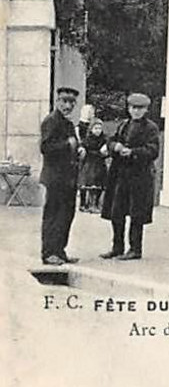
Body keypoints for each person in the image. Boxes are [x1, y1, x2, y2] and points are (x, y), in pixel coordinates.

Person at [101, 93, 160, 260]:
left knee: (137, 213)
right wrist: (115, 146)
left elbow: (153, 151)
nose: (136, 111)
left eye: (140, 108)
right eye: (133, 108)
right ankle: (117, 247)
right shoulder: (123, 125)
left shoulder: (151, 128)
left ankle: (135, 249)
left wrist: (133, 152)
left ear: (146, 110)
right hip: (120, 174)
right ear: (128, 109)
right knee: (116, 211)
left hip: (140, 175)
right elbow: (110, 141)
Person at [39, 86, 81, 266]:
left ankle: (60, 250)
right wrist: (67, 144)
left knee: (66, 215)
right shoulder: (51, 121)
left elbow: (72, 145)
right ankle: (49, 253)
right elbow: (45, 148)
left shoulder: (68, 123)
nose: (68, 105)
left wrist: (79, 150)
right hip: (55, 177)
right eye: (64, 101)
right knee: (53, 214)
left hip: (68, 178)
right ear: (57, 101)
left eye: (71, 102)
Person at [78, 117, 108, 213]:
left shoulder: (104, 139)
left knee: (99, 184)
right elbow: (82, 146)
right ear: (91, 129)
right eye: (96, 128)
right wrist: (82, 149)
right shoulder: (87, 139)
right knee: (86, 183)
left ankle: (95, 204)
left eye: (99, 128)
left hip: (99, 163)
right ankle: (83, 204)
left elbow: (108, 148)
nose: (98, 131)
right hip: (89, 163)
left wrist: (106, 150)